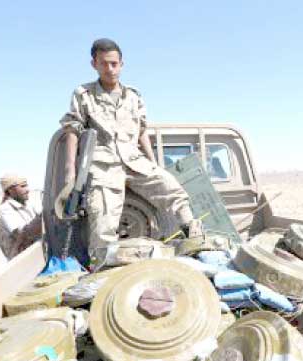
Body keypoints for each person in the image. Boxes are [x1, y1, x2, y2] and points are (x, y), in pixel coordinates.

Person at [59, 38, 200, 269]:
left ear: (122, 64)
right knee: (102, 220)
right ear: (94, 64)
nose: (110, 69)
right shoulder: (83, 94)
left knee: (171, 188)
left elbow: (142, 130)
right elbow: (72, 130)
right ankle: (104, 270)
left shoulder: (133, 96)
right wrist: (70, 173)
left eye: (114, 64)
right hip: (104, 165)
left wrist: (154, 164)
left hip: (134, 160)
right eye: (104, 64)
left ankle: (194, 235)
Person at [0, 174, 42, 259]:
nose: (27, 190)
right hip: (21, 258)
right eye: (23, 186)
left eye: (26, 186)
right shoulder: (4, 209)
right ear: (10, 190)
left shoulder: (29, 204)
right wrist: (42, 218)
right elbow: (22, 233)